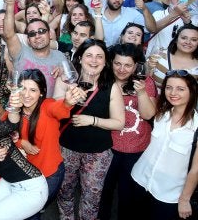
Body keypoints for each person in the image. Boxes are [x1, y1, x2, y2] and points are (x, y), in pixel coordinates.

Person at [54, 39, 125, 220]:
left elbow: (119, 123)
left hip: (98, 153)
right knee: (64, 191)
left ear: (105, 61)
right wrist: (67, 101)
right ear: (79, 58)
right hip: (67, 148)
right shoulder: (65, 80)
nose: (94, 60)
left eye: (99, 57)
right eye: (89, 55)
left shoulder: (111, 86)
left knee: (92, 197)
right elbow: (55, 114)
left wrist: (91, 120)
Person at [9, 69, 85, 219]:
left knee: (31, 213)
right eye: (23, 88)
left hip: (49, 174)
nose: (26, 94)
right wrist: (21, 142)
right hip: (26, 174)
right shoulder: (15, 110)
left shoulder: (47, 106)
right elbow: (6, 133)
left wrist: (68, 102)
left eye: (33, 90)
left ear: (41, 93)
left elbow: (59, 108)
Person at [99, 44, 157, 220]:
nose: (122, 69)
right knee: (103, 191)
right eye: (117, 63)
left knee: (127, 195)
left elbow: (148, 114)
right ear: (110, 63)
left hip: (136, 148)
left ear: (136, 66)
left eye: (127, 65)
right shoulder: (104, 81)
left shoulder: (145, 82)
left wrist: (141, 92)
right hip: (108, 146)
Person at [131, 70, 198, 220]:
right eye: (168, 87)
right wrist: (141, 91)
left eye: (181, 89)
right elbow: (146, 112)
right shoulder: (161, 114)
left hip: (168, 194)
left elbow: (196, 169)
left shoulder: (196, 126)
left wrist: (185, 199)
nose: (173, 93)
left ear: (192, 92)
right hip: (140, 180)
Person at [3, 0, 67, 97]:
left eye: (42, 31)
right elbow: (8, 34)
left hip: (47, 111)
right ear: (28, 39)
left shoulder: (60, 56)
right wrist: (9, 5)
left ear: (49, 33)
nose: (37, 35)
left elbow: (70, 81)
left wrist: (64, 73)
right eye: (32, 33)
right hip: (21, 107)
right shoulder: (20, 52)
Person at [150, 24, 198, 91]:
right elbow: (143, 78)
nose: (188, 42)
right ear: (176, 39)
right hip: (154, 100)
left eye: (194, 40)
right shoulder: (158, 55)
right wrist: (148, 67)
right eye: (184, 38)